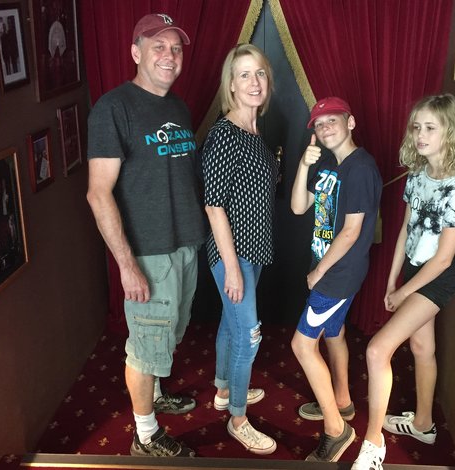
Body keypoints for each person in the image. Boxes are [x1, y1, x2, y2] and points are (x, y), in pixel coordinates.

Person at [86, 13, 205, 458]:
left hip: (185, 243)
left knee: (166, 336)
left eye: (176, 48)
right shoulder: (113, 108)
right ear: (136, 52)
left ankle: (154, 395)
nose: (169, 56)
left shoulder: (178, 107)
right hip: (149, 253)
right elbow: (98, 193)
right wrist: (127, 265)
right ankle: (146, 435)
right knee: (144, 346)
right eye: (158, 46)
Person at [351, 94, 455, 470]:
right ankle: (423, 425)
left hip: (436, 279)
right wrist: (393, 279)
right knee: (422, 348)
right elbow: (406, 229)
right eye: (417, 127)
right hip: (412, 272)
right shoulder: (418, 175)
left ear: (450, 132)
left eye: (430, 128)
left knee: (377, 351)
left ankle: (373, 444)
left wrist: (405, 291)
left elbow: (444, 258)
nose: (420, 135)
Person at [290, 97, 382, 462]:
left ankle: (336, 429)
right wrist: (303, 165)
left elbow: (351, 232)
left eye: (333, 120)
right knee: (334, 333)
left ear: (350, 122)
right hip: (331, 267)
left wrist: (319, 271)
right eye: (319, 123)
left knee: (302, 346)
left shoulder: (360, 168)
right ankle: (342, 401)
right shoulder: (329, 163)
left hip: (338, 274)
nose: (325, 127)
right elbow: (299, 206)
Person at [202, 43, 278, 455]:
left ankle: (222, 390)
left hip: (253, 248)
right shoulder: (224, 134)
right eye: (244, 74)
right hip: (233, 254)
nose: (254, 82)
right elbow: (213, 206)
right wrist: (231, 267)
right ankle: (237, 418)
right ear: (230, 85)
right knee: (248, 337)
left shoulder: (254, 131)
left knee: (231, 325)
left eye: (259, 73)